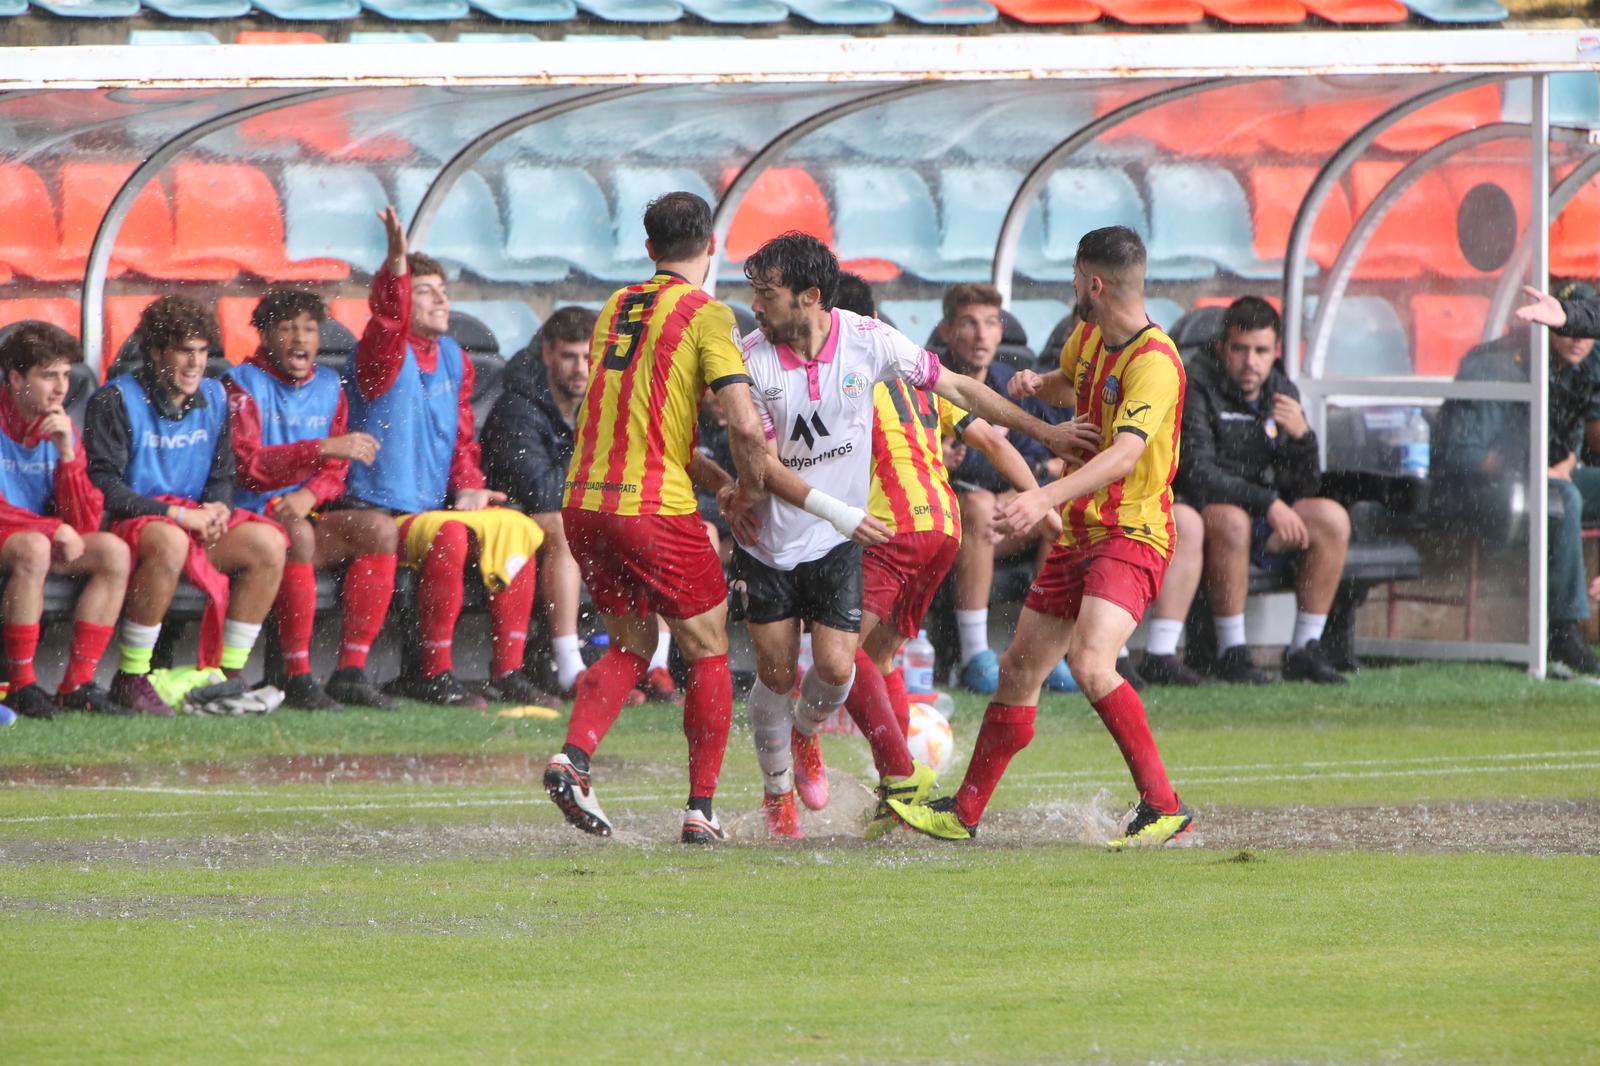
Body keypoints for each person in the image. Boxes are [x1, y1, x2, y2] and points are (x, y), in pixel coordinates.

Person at [727, 233, 1089, 839]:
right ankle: (778, 795)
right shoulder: (750, 360)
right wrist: (735, 489)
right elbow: (763, 466)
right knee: (777, 674)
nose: (756, 306)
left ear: (810, 296)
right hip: (776, 541)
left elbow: (962, 388)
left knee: (841, 668)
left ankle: (832, 748)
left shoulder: (870, 341)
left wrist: (1044, 433)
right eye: (754, 294)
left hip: (845, 539)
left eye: (766, 294)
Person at [889, 225, 1191, 849]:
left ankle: (1162, 806)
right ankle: (964, 812)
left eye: (1076, 276)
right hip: (1082, 536)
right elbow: (1073, 382)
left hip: (1131, 534)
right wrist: (1035, 385)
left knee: (1089, 661)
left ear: (1094, 282)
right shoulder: (1091, 337)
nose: (1071, 287)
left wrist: (1041, 497)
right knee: (1019, 669)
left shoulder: (1156, 362)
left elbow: (1126, 455)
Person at [545, 191, 773, 846]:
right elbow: (742, 418)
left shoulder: (616, 306)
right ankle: (702, 810)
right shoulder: (709, 313)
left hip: (585, 503)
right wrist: (752, 489)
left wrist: (722, 481)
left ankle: (575, 758)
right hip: (651, 508)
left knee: (632, 643)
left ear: (649, 251)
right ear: (712, 249)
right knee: (708, 647)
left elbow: (655, 432)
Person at [833, 274, 1064, 838]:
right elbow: (993, 439)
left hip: (895, 525)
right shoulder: (916, 371)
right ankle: (902, 782)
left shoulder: (839, 368)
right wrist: (1041, 500)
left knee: (840, 655)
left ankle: (899, 778)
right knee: (882, 655)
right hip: (943, 526)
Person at [344, 208, 545, 709]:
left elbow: (460, 440)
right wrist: (395, 264)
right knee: (452, 536)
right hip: (379, 510)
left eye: (443, 290)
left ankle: (508, 671)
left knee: (516, 528)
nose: (441, 299)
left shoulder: (455, 357)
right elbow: (387, 320)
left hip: (433, 507)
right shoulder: (382, 353)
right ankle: (430, 672)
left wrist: (469, 484)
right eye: (426, 290)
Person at [85, 296, 287, 715]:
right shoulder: (114, 399)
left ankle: (226, 676)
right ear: (157, 352)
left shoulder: (215, 398)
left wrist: (218, 510)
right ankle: (132, 677)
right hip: (136, 524)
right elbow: (104, 486)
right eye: (183, 351)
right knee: (170, 541)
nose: (195, 363)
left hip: (192, 521)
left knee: (268, 543)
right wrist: (177, 515)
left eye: (201, 351)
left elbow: (222, 476)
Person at [222, 289, 399, 710]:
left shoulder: (328, 386)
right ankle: (297, 675)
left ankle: (351, 672)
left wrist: (308, 493)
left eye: (309, 329)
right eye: (286, 329)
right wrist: (317, 448)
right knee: (297, 535)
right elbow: (248, 467)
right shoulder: (240, 385)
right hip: (248, 515)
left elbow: (336, 471)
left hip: (304, 511)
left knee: (381, 530)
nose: (299, 339)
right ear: (264, 336)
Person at [1176, 297, 1350, 685]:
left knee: (1331, 518)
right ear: (1222, 347)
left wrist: (1302, 437)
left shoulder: (1282, 390)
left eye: (1261, 351)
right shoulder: (1197, 384)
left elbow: (1305, 487)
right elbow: (1197, 473)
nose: (1250, 361)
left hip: (1268, 516)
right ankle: (1232, 650)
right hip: (1212, 515)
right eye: (1240, 349)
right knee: (1232, 519)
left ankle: (1305, 647)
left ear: (1276, 352)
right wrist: (1267, 503)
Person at [1447, 279, 1600, 673]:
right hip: (1482, 492)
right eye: (1569, 328)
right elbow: (1463, 455)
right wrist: (1533, 469)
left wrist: (1562, 466)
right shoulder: (1498, 366)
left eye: (1586, 331)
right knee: (1563, 500)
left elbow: (1569, 442)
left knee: (1567, 491)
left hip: (1543, 478)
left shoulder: (1580, 367)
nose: (1579, 341)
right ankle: (1564, 632)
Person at [934, 284, 1069, 694]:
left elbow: (1046, 457)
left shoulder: (1008, 383)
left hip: (1002, 521)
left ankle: (1044, 653)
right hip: (948, 521)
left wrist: (1020, 494)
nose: (981, 335)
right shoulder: (930, 379)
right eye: (969, 323)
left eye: (991, 323)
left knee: (1057, 518)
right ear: (946, 330)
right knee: (975, 504)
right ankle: (975, 656)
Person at [0, 323, 131, 718]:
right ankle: (21, 684)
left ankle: (77, 684)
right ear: (16, 378)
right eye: (47, 376)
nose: (60, 388)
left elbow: (86, 522)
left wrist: (68, 456)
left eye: (64, 375)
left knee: (113, 551)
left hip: (37, 542)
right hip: (22, 541)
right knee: (35, 546)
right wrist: (51, 527)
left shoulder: (63, 427)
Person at [481, 306, 600, 699]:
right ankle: (569, 665)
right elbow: (541, 494)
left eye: (589, 356)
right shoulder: (517, 409)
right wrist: (589, 437)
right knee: (563, 525)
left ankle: (647, 663)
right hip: (510, 524)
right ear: (548, 355)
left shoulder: (596, 406)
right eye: (570, 356)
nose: (581, 368)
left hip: (568, 523)